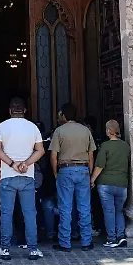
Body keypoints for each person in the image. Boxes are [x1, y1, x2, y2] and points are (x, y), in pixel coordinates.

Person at [0, 97, 45, 261]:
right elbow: (40, 150)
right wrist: (26, 163)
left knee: (6, 214)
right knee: (29, 214)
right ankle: (33, 249)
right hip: (27, 176)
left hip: (8, 176)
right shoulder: (32, 127)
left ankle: (5, 249)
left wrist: (12, 164)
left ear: (10, 111)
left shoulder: (2, 126)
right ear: (24, 111)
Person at [49, 103, 96, 251]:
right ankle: (86, 242)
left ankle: (65, 243)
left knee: (65, 207)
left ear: (63, 115)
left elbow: (53, 156)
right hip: (83, 170)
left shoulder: (59, 131)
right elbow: (91, 155)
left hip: (65, 170)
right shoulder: (85, 130)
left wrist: (55, 173)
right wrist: (89, 174)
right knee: (84, 207)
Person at [91, 119, 131, 248]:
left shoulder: (105, 146)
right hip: (122, 183)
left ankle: (111, 238)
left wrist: (92, 180)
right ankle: (121, 236)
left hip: (106, 183)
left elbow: (99, 166)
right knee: (119, 211)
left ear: (108, 131)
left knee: (109, 211)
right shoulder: (126, 146)